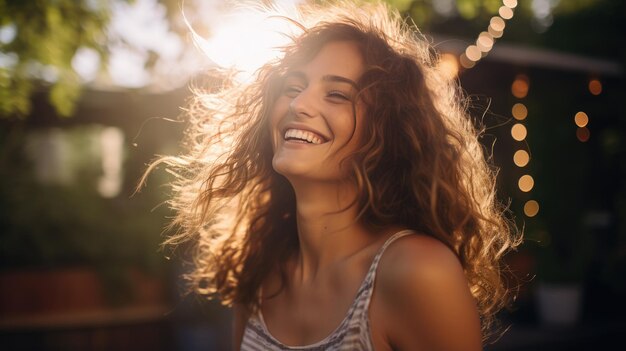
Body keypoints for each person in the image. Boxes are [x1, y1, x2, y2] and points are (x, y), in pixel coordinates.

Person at [149, 1, 520, 350]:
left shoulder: (417, 272)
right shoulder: (260, 272)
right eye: (292, 87)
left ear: (387, 131)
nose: (298, 104)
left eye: (338, 95)